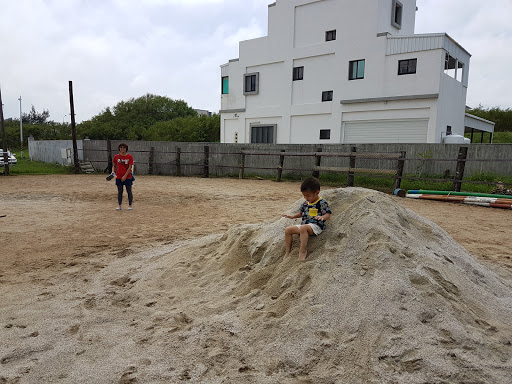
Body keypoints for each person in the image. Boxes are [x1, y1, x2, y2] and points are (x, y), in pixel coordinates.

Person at [282, 177, 331, 260]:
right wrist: (292, 216)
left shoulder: (322, 203)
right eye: (304, 195)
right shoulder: (305, 203)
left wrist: (322, 217)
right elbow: (301, 213)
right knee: (288, 230)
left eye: (308, 195)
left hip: (316, 226)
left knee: (303, 228)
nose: (306, 198)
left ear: (317, 192)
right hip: (304, 226)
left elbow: (328, 214)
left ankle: (303, 250)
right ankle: (288, 251)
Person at [112, 143, 134, 210]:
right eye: (121, 147)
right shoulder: (116, 156)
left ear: (126, 149)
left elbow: (130, 167)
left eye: (124, 147)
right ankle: (119, 205)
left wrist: (125, 176)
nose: (122, 148)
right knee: (119, 191)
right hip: (118, 176)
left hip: (128, 176)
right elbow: (114, 166)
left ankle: (130, 205)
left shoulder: (129, 156)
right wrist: (113, 171)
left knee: (129, 191)